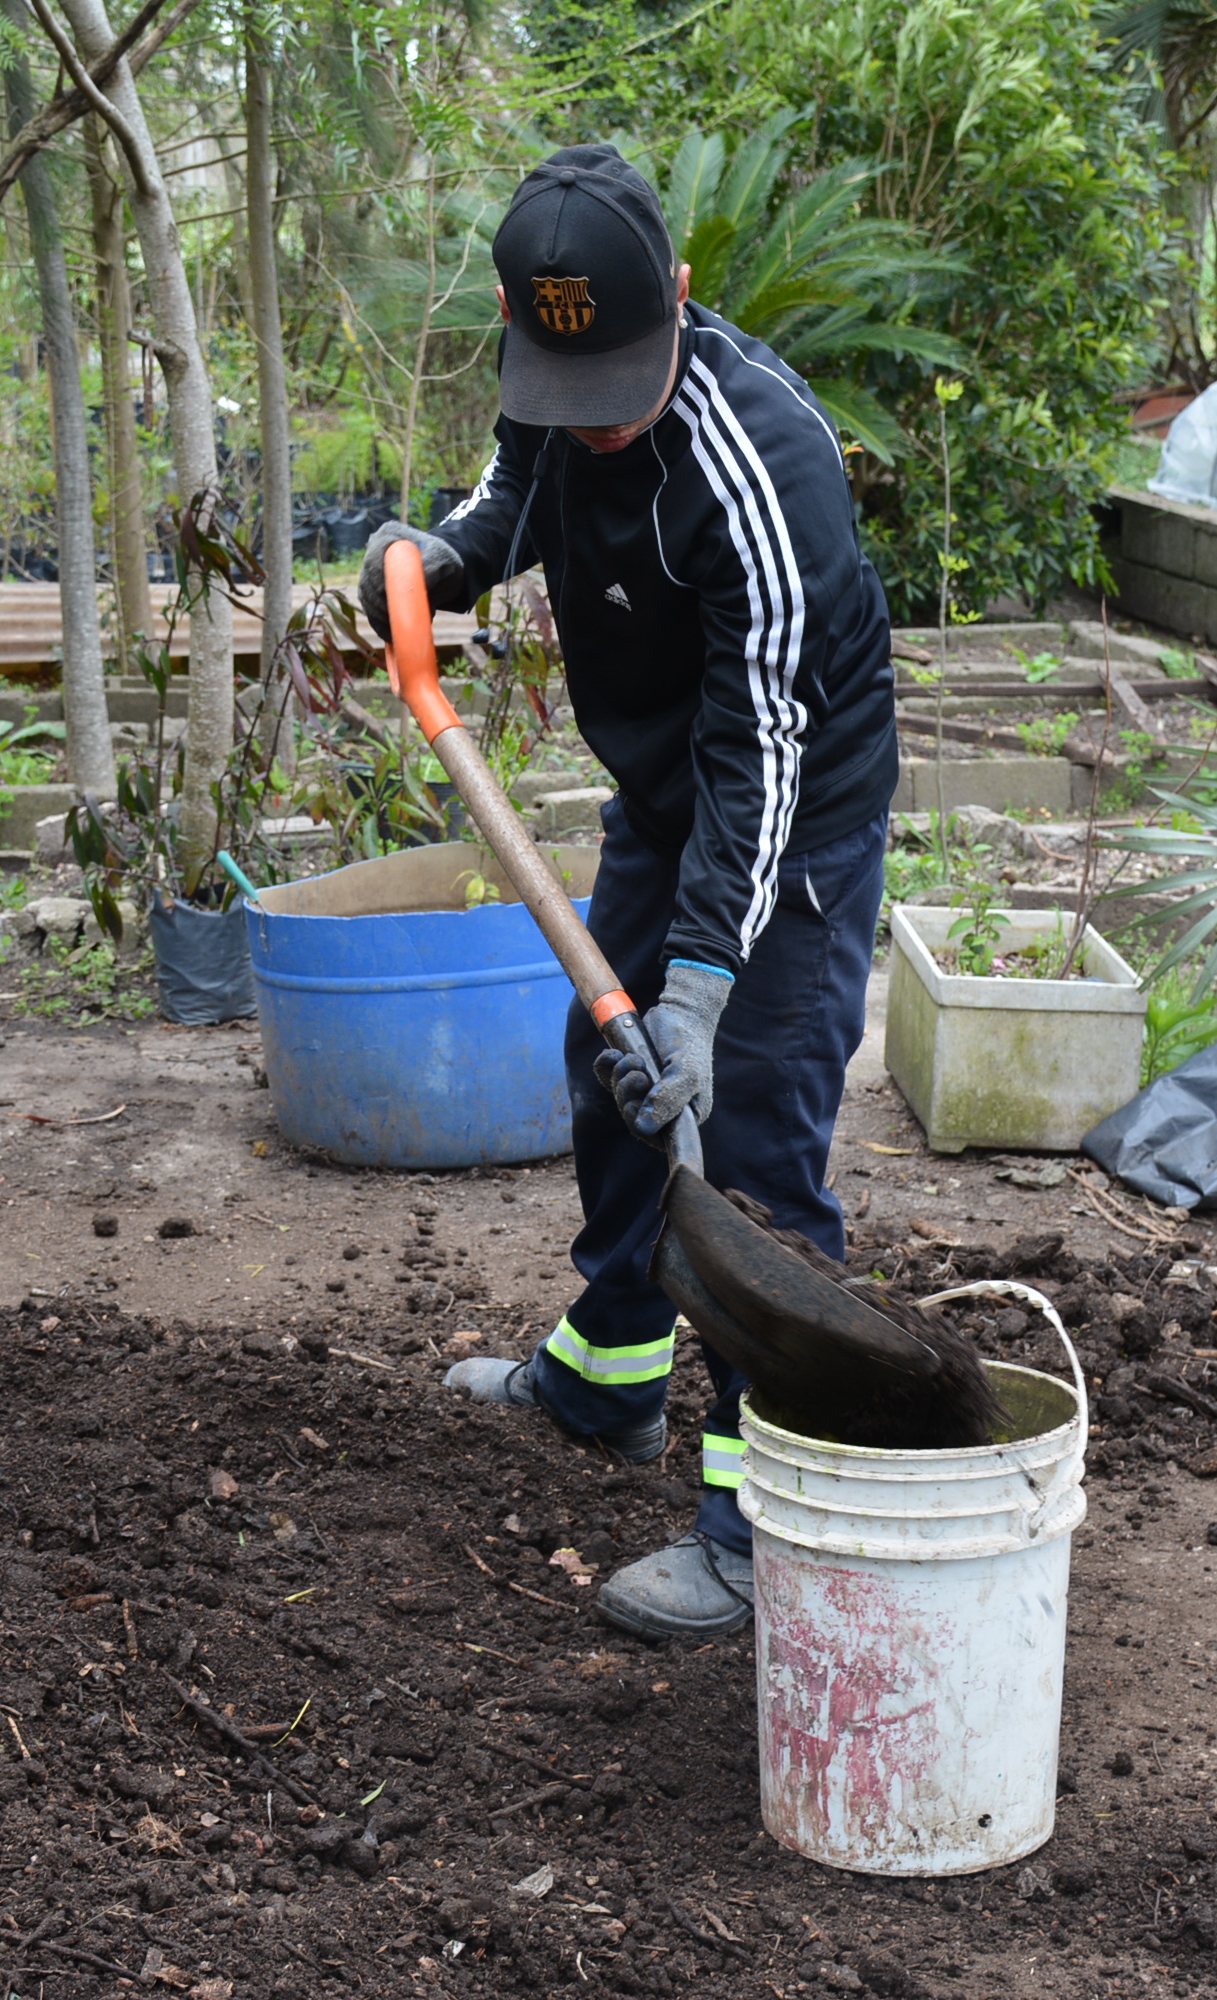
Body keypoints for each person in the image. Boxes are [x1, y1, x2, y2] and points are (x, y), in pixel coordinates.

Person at [357, 144, 899, 1641]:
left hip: (786, 822)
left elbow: (765, 750)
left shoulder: (756, 461)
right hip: (666, 794)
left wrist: (712, 989)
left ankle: (763, 1527)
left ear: (675, 295)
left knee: (753, 1152)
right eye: (564, 390)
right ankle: (609, 1376)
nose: (590, 428)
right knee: (610, 1079)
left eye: (614, 390)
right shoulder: (563, 387)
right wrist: (436, 560)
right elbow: (512, 486)